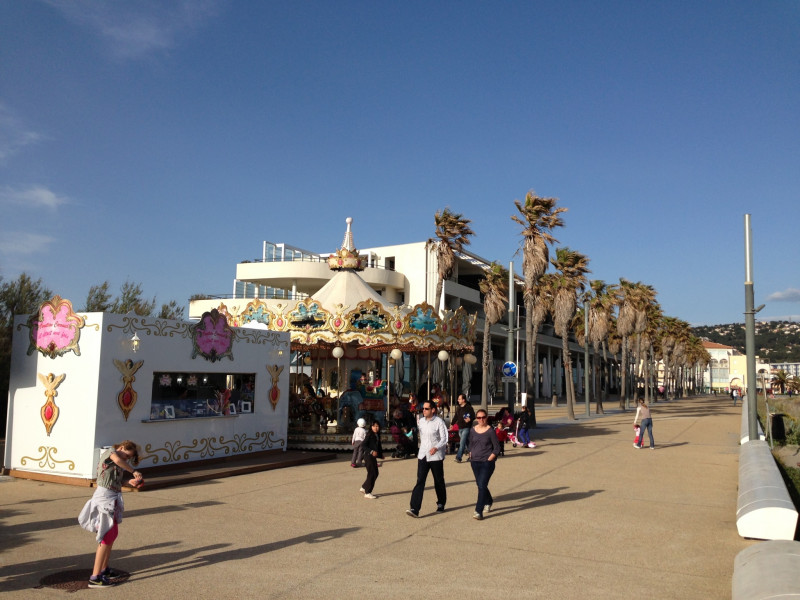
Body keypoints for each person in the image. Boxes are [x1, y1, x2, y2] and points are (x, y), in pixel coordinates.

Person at [78, 440, 143, 588]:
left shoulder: (119, 464)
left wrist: (130, 482)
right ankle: (95, 577)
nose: (126, 459)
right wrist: (133, 471)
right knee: (106, 536)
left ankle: (104, 569)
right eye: (127, 455)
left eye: (129, 458)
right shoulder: (110, 453)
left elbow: (117, 481)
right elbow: (118, 460)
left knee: (112, 534)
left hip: (112, 498)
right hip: (104, 499)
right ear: (121, 447)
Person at [406, 400, 448, 518]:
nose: (423, 411)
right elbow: (421, 436)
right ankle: (414, 508)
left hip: (436, 456)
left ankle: (441, 503)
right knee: (420, 481)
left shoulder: (439, 422)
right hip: (423, 454)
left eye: (426, 409)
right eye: (423, 409)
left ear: (433, 410)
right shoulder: (421, 421)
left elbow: (444, 439)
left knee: (438, 481)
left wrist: (436, 447)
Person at [470, 409, 500, 520]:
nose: (481, 419)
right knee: (480, 484)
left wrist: (490, 458)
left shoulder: (490, 431)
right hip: (475, 462)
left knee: (482, 484)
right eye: (478, 418)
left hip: (487, 463)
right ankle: (489, 500)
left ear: (486, 418)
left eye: (483, 417)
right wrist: (470, 453)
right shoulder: (473, 430)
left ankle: (478, 510)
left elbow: (497, 448)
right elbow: (470, 443)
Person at [359, 421, 384, 499]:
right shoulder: (369, 435)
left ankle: (364, 487)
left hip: (373, 457)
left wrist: (381, 455)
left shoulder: (377, 435)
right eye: (374, 426)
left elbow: (378, 446)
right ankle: (368, 492)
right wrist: (371, 451)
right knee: (372, 473)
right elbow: (363, 445)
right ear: (371, 427)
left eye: (377, 426)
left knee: (374, 473)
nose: (376, 428)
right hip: (368, 456)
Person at [451, 393, 474, 463]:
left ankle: (459, 457)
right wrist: (452, 424)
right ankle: (472, 456)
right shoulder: (459, 408)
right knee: (467, 443)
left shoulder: (469, 407)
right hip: (460, 427)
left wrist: (470, 419)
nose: (458, 400)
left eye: (459, 399)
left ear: (463, 400)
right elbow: (456, 416)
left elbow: (473, 415)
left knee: (462, 443)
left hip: (466, 427)